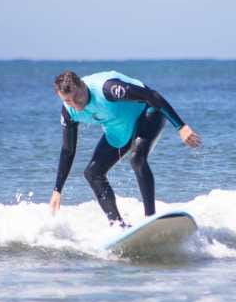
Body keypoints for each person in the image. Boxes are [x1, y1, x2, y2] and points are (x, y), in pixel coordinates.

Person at [49, 70, 201, 227]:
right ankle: (117, 225)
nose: (75, 104)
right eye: (68, 101)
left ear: (82, 84)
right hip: (119, 128)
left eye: (76, 97)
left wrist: (181, 127)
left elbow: (152, 96)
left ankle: (150, 219)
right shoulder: (69, 112)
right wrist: (57, 189)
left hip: (147, 112)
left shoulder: (108, 89)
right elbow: (68, 150)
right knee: (93, 173)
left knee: (137, 158)